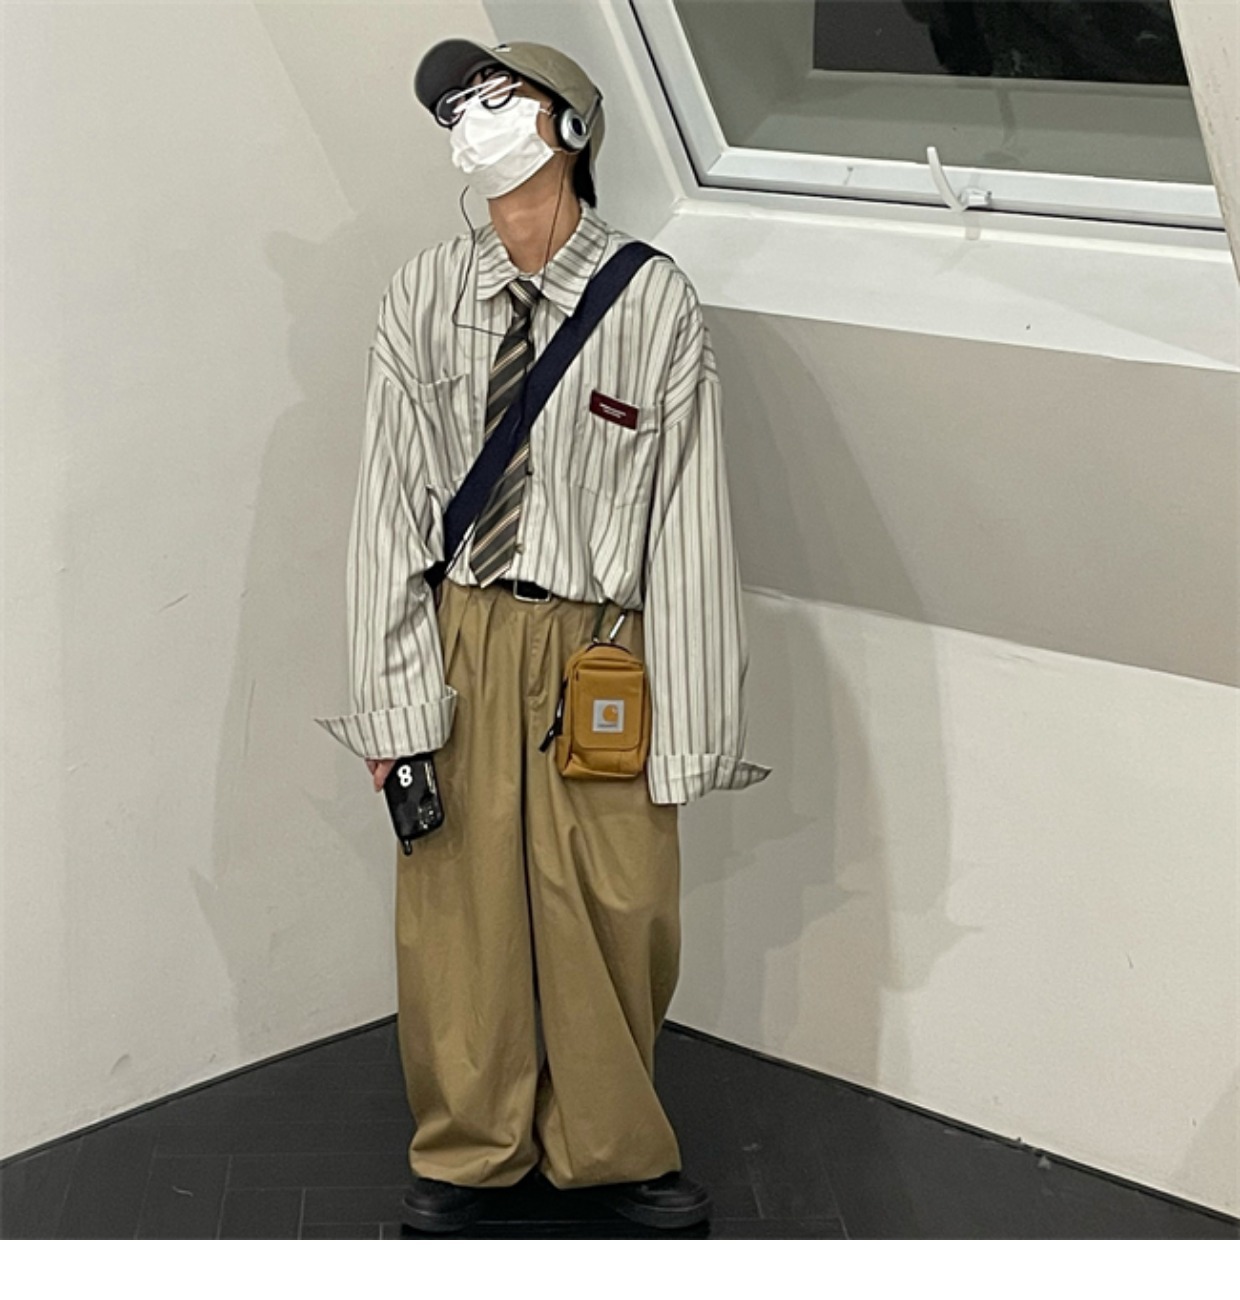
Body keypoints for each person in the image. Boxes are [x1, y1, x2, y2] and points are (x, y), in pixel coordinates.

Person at [314, 38, 770, 1233]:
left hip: (601, 646)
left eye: (495, 98)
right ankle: (470, 1148)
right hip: (465, 630)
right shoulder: (422, 296)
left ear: (569, 124)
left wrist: (692, 730)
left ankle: (611, 1145)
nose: (471, 122)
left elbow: (690, 523)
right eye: (456, 108)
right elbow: (387, 510)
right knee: (456, 904)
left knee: (614, 899)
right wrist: (392, 701)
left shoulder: (652, 301)